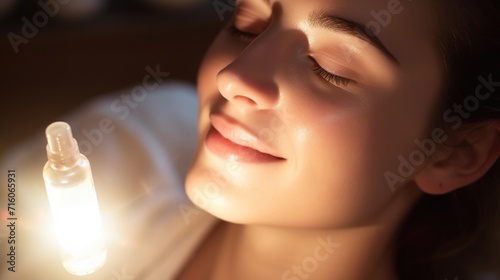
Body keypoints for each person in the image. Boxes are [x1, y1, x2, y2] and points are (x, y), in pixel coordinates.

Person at [1, 0, 499, 279]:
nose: (237, 76)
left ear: (455, 153)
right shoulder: (136, 140)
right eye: (248, 25)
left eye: (331, 68)